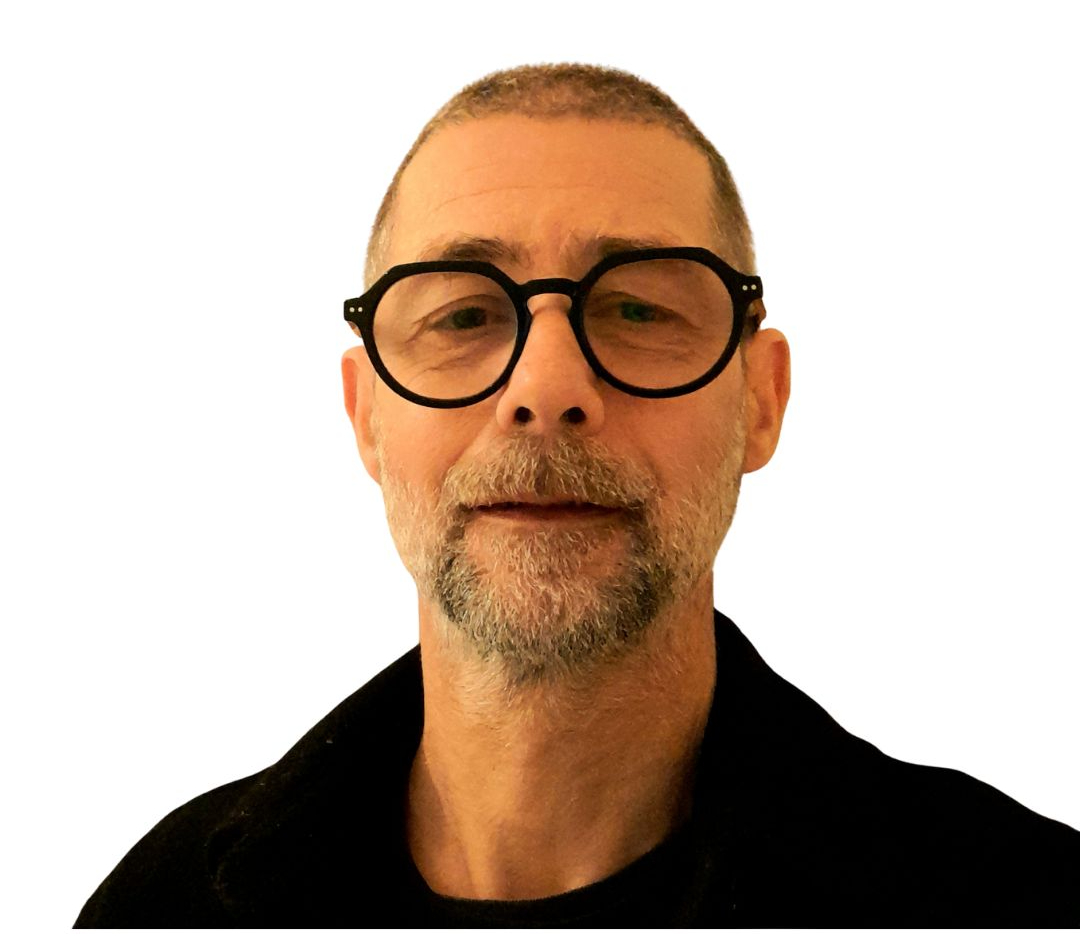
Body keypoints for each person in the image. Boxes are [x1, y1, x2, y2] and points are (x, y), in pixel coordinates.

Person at [74, 63, 1079, 928]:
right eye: (464, 316)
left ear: (761, 401)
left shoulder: (1021, 903)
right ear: (366, 414)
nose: (547, 387)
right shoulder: (161, 911)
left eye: (637, 308)